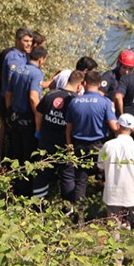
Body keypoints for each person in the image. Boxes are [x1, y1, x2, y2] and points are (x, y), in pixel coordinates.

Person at [97, 114, 134, 258]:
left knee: (113, 224)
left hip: (113, 192)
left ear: (118, 126)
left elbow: (101, 166)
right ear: (133, 128)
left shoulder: (108, 146)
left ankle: (115, 257)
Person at [65, 71, 118, 207]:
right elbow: (114, 127)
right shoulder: (105, 103)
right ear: (100, 84)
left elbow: (68, 128)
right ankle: (104, 210)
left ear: (84, 83)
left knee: (80, 180)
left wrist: (69, 147)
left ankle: (79, 215)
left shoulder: (74, 101)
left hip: (78, 146)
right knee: (107, 174)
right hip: (99, 147)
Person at [32, 70, 85, 201]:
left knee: (42, 172)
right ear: (79, 86)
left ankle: (36, 206)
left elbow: (39, 112)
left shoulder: (51, 94)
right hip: (65, 145)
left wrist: (38, 130)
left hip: (46, 141)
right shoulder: (75, 101)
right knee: (67, 176)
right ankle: (67, 208)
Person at [5, 46, 47, 196]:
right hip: (28, 120)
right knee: (28, 156)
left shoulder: (17, 69)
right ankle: (25, 192)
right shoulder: (37, 73)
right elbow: (33, 98)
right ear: (42, 59)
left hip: (16, 118)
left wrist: (10, 112)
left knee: (16, 154)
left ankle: (14, 188)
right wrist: (39, 121)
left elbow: (8, 93)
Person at [0, 27, 34, 161]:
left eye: (30, 41)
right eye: (25, 41)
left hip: (9, 99)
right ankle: (4, 160)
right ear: (17, 40)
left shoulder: (22, 56)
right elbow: (13, 83)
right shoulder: (14, 58)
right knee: (9, 131)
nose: (28, 44)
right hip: (10, 101)